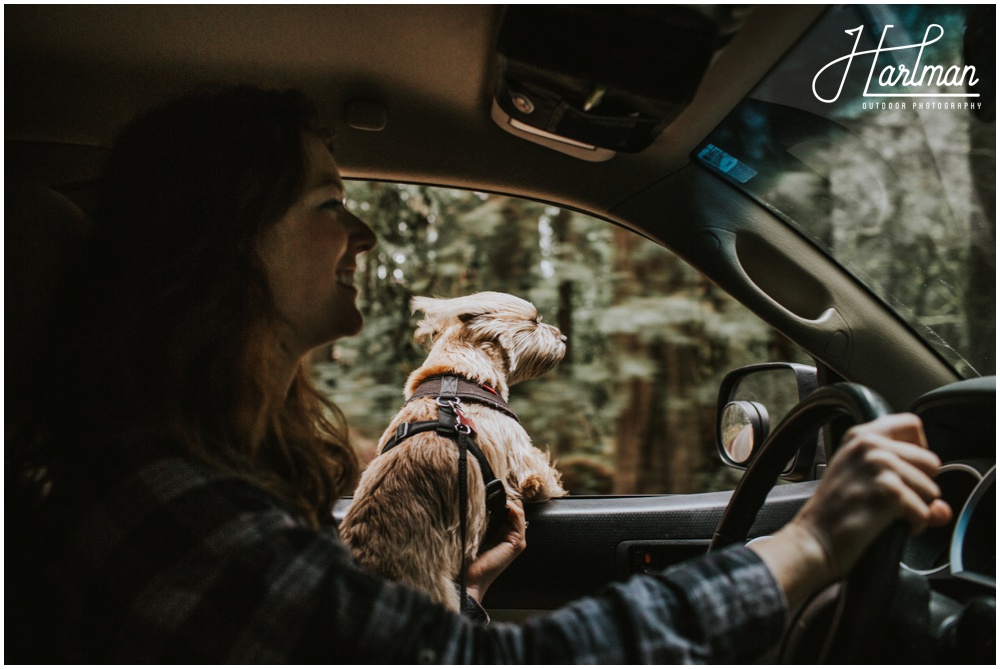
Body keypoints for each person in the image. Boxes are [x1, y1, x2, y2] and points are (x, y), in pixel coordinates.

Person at [9, 86, 951, 664]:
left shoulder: (197, 477)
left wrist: (462, 593)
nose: (365, 233)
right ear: (223, 241)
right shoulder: (168, 512)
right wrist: (807, 546)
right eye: (331, 203)